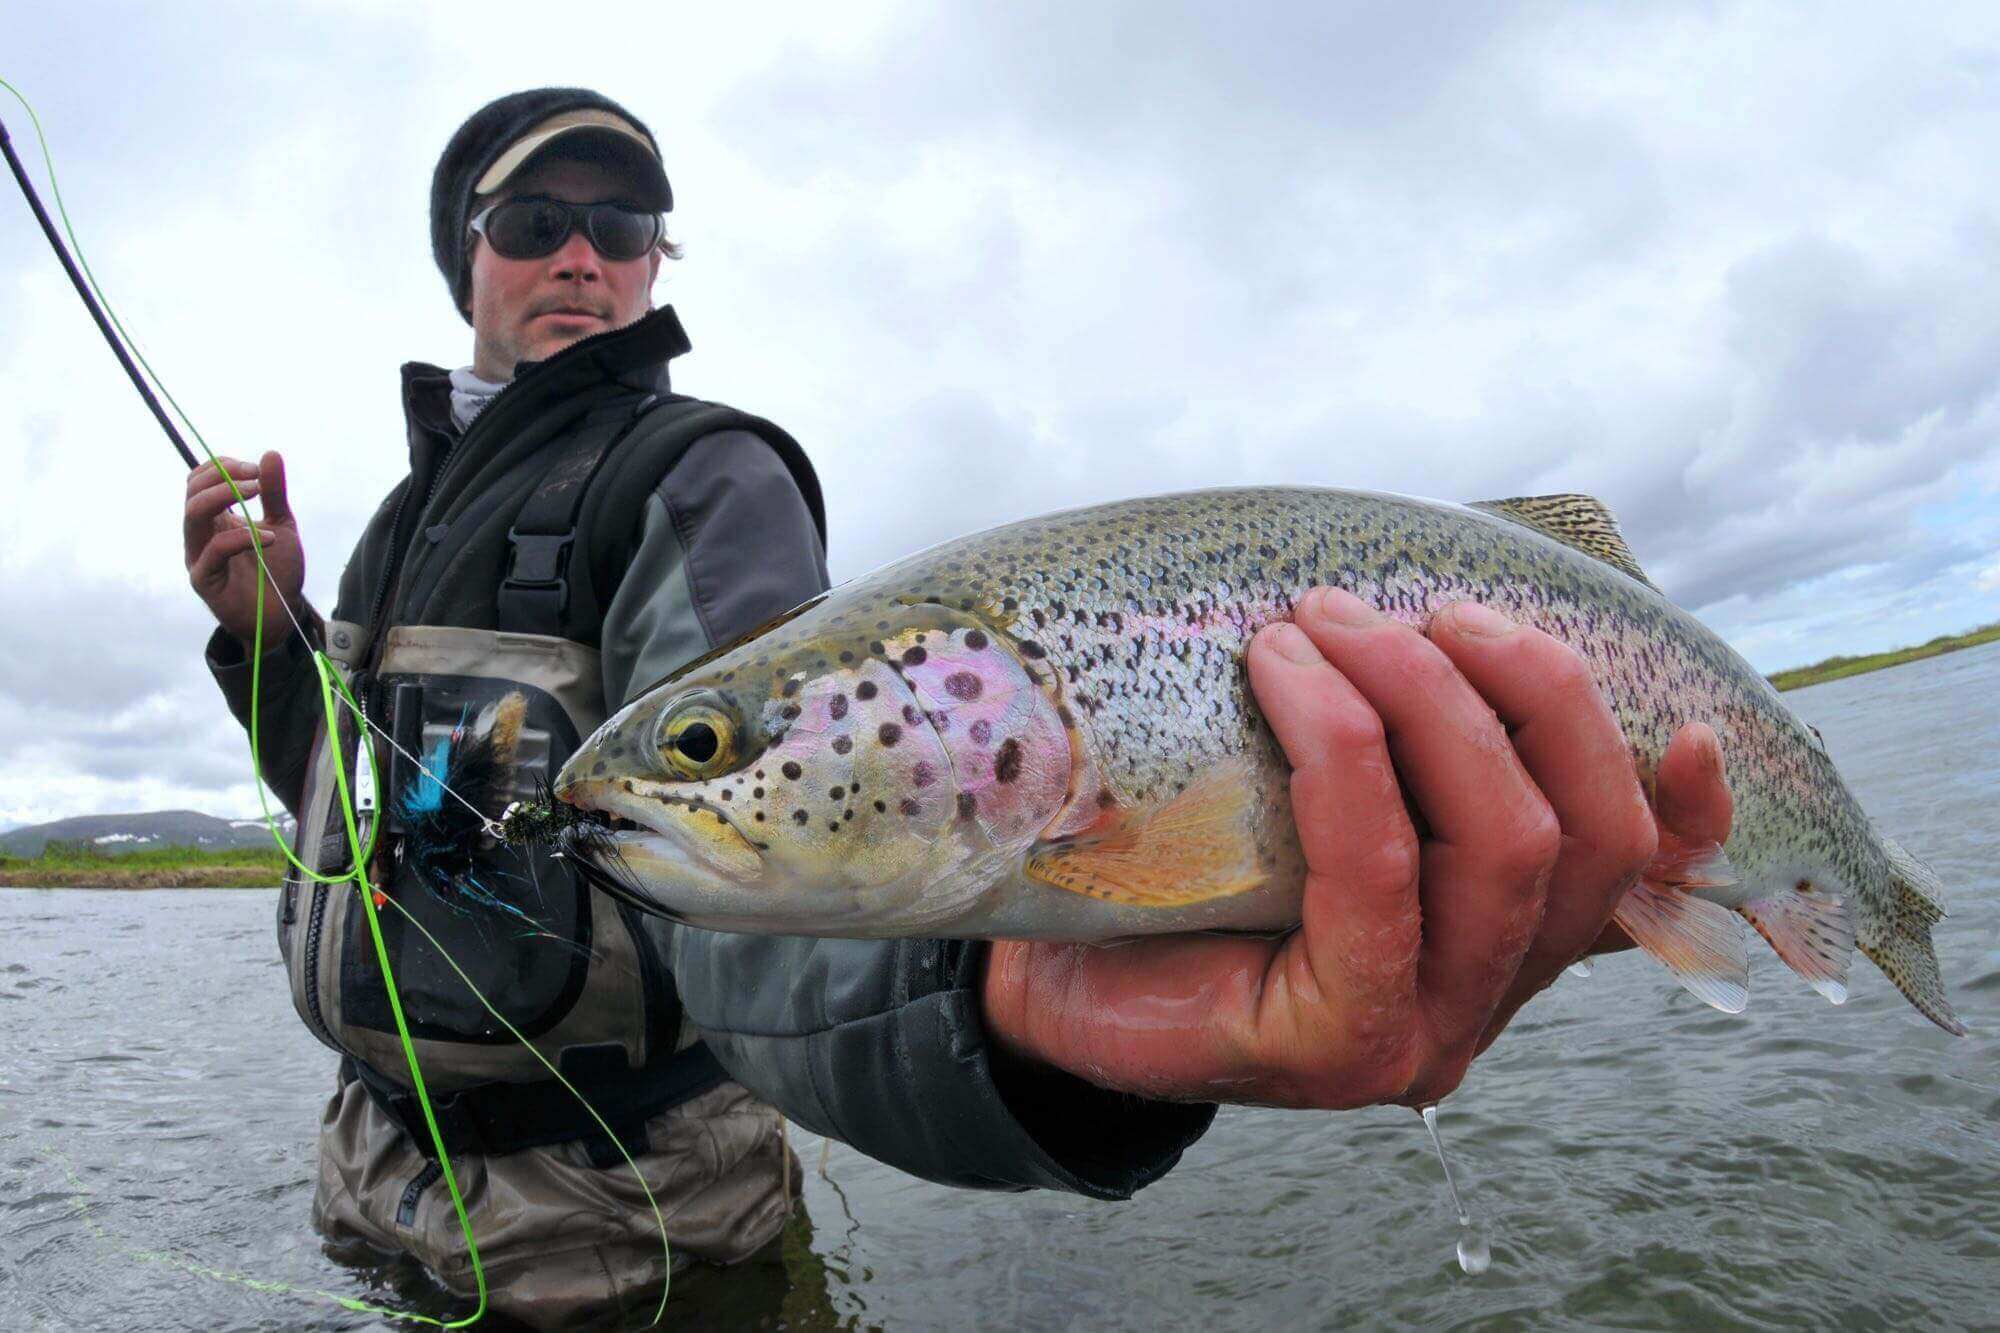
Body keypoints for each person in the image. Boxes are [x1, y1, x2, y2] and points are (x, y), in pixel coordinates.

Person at [185, 87, 1731, 1327]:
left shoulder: (695, 478)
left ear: (656, 263)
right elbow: (361, 806)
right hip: (372, 1171)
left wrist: (1003, 1013)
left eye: (624, 224)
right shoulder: (396, 525)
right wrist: (270, 646)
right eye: (536, 219)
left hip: (627, 1217)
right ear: (464, 255)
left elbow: (765, 899)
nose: (583, 254)